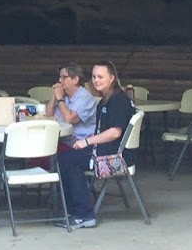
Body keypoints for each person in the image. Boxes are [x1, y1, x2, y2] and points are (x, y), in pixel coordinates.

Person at [55, 61, 134, 229]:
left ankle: (84, 215)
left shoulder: (118, 99)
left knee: (69, 160)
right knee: (64, 157)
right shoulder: (105, 99)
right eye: (94, 76)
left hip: (116, 156)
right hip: (106, 149)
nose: (96, 80)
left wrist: (87, 141)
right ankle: (72, 211)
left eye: (101, 77)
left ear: (112, 78)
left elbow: (115, 132)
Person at [51, 64, 98, 144]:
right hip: (62, 138)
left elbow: (70, 119)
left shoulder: (84, 97)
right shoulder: (64, 95)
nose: (60, 80)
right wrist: (53, 97)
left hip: (81, 142)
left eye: (64, 77)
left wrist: (59, 99)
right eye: (60, 77)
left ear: (75, 80)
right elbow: (48, 115)